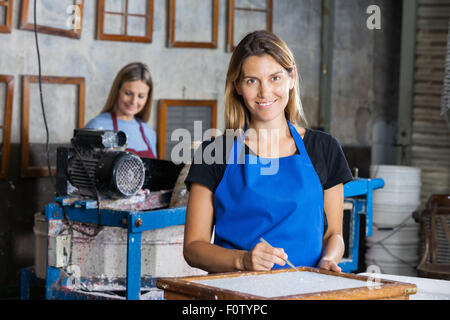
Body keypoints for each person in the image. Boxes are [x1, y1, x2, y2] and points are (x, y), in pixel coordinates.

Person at [183, 31, 353, 274]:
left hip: (307, 291)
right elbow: (193, 248)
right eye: (252, 80)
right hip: (237, 297)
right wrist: (243, 260)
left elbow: (334, 234)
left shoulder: (324, 148)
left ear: (291, 78)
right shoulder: (215, 152)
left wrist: (328, 259)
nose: (265, 92)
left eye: (275, 78)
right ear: (238, 86)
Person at [85, 62, 157, 158]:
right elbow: (82, 170)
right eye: (128, 93)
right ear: (117, 90)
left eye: (141, 96)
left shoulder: (149, 132)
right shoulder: (96, 127)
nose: (133, 101)